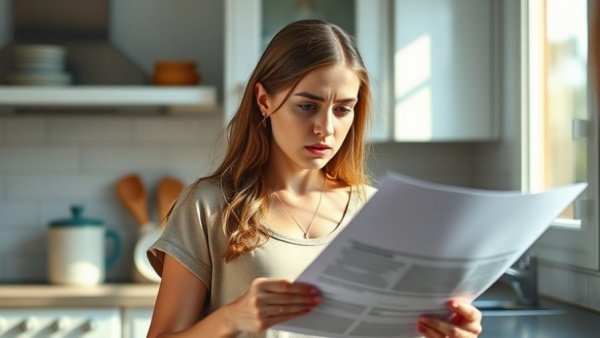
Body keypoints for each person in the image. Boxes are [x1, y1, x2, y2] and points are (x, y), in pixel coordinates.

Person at [146, 19, 482, 338]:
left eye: (342, 109)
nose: (326, 128)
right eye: (307, 106)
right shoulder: (209, 206)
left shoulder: (379, 209)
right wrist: (232, 317)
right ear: (264, 100)